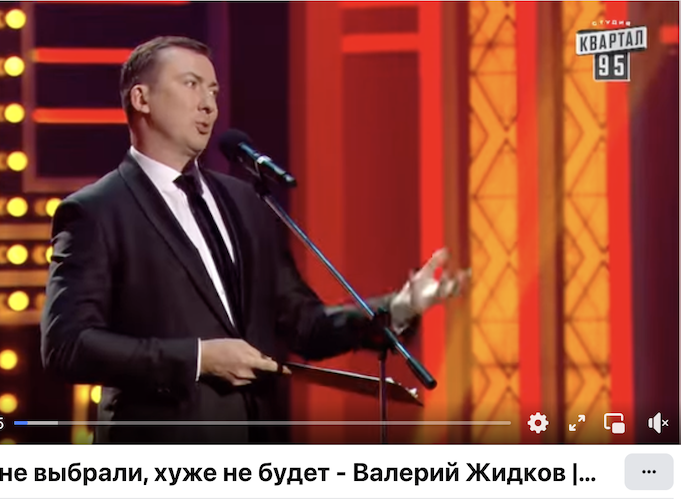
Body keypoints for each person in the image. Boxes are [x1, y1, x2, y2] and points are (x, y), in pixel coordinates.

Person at [40, 36, 469, 444]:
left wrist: (400, 306)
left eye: (213, 90)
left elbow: (304, 324)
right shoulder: (97, 211)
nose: (208, 104)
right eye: (191, 84)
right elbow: (67, 345)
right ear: (141, 99)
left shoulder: (245, 200)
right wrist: (199, 358)